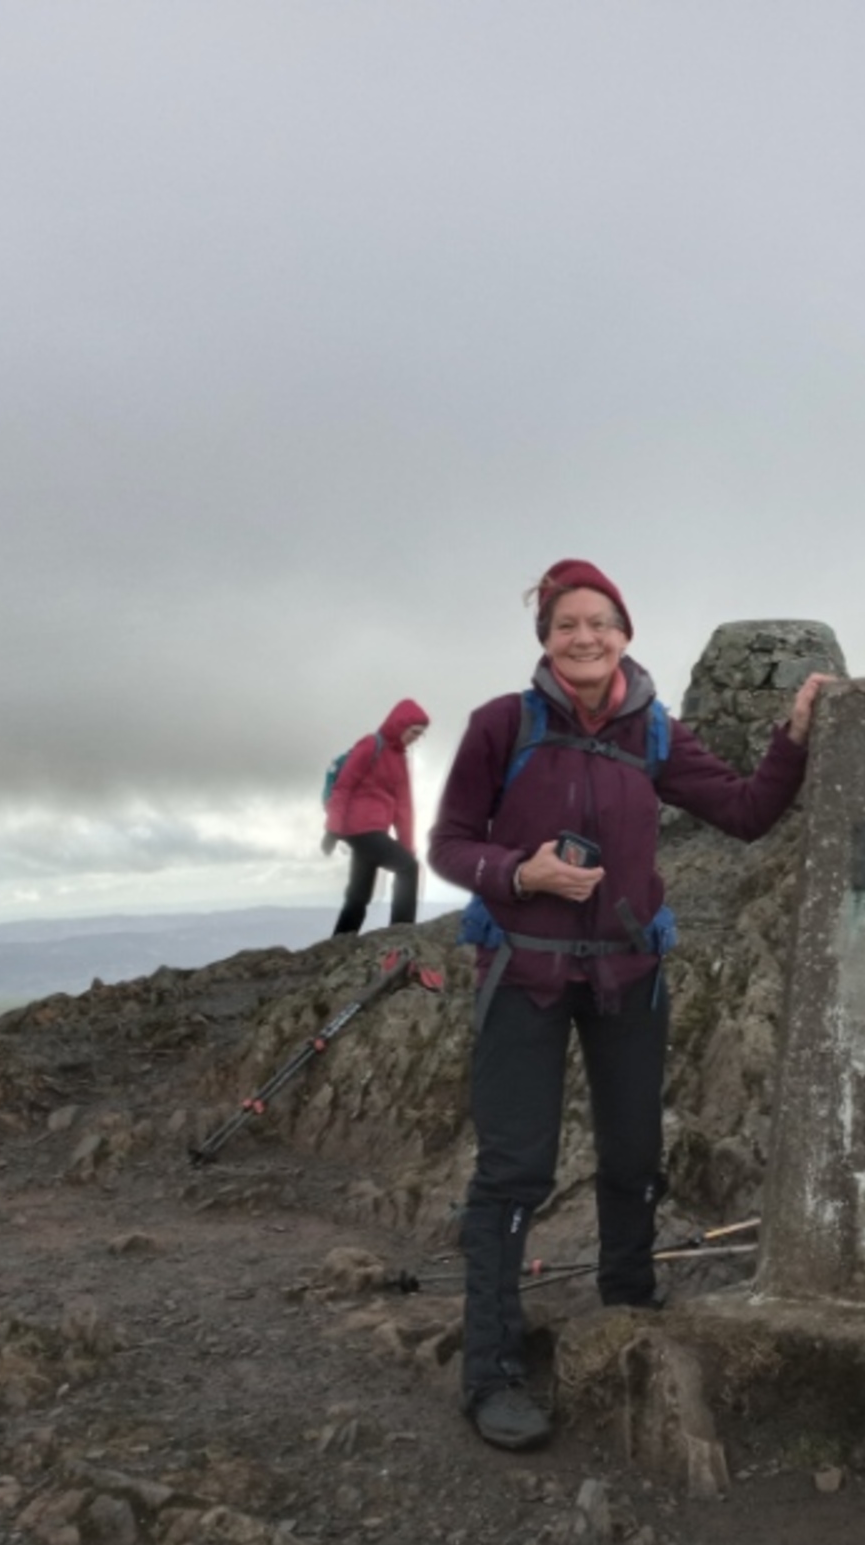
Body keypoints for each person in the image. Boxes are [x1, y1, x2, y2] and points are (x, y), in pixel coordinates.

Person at [430, 558, 830, 1451]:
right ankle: (491, 1372)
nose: (585, 637)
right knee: (514, 1172)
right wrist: (520, 874)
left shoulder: (653, 731)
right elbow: (450, 845)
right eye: (567, 624)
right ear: (545, 639)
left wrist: (794, 737)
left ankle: (630, 1305)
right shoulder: (503, 725)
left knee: (635, 1156)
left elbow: (746, 812)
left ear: (625, 634)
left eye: (600, 622)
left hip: (628, 974)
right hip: (523, 974)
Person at [325, 699, 430, 936]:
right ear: (400, 725)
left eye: (421, 735)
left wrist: (407, 846)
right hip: (358, 828)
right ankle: (401, 934)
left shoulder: (400, 759)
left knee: (359, 895)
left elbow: (404, 808)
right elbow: (343, 787)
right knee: (408, 868)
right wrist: (333, 827)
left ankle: (341, 940)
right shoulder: (370, 745)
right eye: (414, 732)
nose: (416, 738)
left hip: (375, 831)